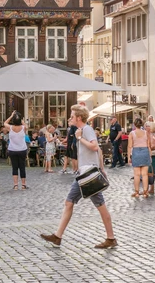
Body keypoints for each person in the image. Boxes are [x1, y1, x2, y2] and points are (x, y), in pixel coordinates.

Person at [40, 105, 116, 249]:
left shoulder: (86, 130)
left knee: (101, 206)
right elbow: (98, 150)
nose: (70, 118)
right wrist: (102, 167)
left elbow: (94, 147)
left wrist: (80, 139)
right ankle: (58, 236)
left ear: (79, 118)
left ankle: (111, 238)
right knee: (69, 202)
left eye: (72, 116)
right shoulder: (81, 130)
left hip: (89, 175)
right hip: (83, 174)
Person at [128, 117, 151, 198]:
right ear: (142, 124)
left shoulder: (132, 133)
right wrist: (150, 156)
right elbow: (149, 145)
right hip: (145, 152)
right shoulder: (146, 133)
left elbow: (129, 146)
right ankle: (145, 192)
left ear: (134, 124)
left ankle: (137, 192)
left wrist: (128, 157)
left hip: (136, 153)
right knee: (145, 174)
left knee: (136, 174)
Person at [5, 112, 29, 190]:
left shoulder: (10, 128)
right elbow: (26, 125)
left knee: (14, 167)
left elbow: (5, 123)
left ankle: (15, 185)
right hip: (22, 149)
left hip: (12, 149)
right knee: (22, 167)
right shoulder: (23, 128)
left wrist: (11, 116)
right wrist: (21, 119)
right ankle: (23, 184)